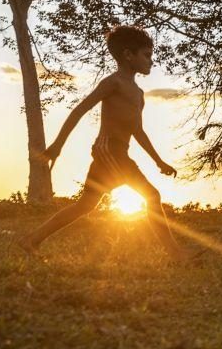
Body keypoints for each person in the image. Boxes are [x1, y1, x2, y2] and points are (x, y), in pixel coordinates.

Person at [17, 26, 187, 259]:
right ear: (128, 55)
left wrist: (159, 162)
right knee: (152, 196)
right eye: (146, 55)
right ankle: (178, 256)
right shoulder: (113, 83)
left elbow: (138, 131)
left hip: (116, 152)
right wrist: (57, 145)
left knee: (86, 205)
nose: (151, 61)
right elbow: (79, 110)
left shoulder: (138, 93)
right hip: (109, 150)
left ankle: (31, 240)